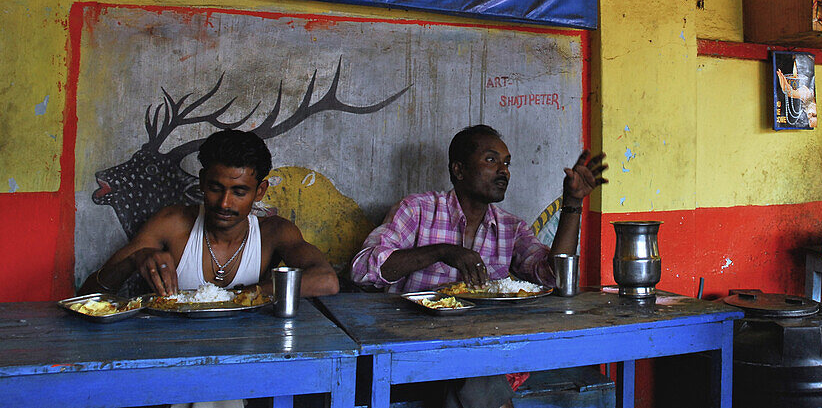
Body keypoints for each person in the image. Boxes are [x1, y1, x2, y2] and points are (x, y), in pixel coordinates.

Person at [350, 124, 608, 408]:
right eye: (491, 159)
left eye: (507, 163)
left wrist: (572, 203)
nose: (504, 170)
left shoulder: (511, 228)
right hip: (411, 347)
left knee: (474, 369)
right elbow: (362, 270)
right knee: (475, 375)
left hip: (477, 350)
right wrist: (440, 251)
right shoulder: (418, 209)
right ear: (458, 170)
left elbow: (552, 276)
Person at [81, 129, 339, 299]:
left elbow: (327, 281)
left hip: (247, 352)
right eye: (216, 188)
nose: (224, 203)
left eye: (239, 192)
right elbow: (87, 296)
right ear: (203, 182)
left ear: (259, 191)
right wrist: (134, 259)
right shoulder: (172, 223)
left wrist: (236, 297)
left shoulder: (273, 233)